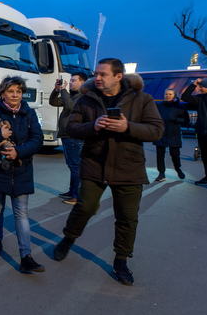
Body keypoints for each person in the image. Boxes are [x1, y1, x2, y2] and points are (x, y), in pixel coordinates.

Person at [52, 58, 163, 286]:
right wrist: (93, 126)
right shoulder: (86, 99)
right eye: (96, 74)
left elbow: (156, 130)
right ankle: (68, 238)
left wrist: (128, 127)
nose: (97, 78)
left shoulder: (142, 99)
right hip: (94, 163)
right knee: (86, 207)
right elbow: (71, 128)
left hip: (128, 167)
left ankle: (121, 260)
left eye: (103, 74)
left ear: (118, 76)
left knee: (127, 218)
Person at [0, 76, 45, 273]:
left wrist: (18, 152)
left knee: (21, 213)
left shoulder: (29, 113)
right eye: (11, 91)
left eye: (19, 91)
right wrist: (0, 135)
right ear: (2, 93)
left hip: (21, 169)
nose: (15, 95)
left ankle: (26, 256)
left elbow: (38, 139)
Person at [49, 73, 88, 204]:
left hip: (74, 136)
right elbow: (53, 102)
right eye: (70, 80)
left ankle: (76, 196)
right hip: (68, 135)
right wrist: (56, 90)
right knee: (72, 166)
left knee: (75, 165)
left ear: (82, 82)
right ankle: (72, 191)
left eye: (73, 80)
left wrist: (64, 90)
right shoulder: (72, 95)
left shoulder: (83, 96)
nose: (70, 82)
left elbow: (70, 106)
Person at [153, 89, 190, 181]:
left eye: (170, 94)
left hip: (173, 134)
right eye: (166, 94)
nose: (167, 95)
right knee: (160, 155)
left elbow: (187, 120)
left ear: (174, 95)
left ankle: (178, 169)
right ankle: (161, 173)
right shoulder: (159, 106)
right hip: (161, 133)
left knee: (175, 155)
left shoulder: (180, 106)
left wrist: (176, 120)